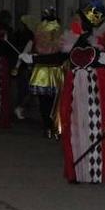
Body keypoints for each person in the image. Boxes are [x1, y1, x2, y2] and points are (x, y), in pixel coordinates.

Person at [59, 0, 105, 184]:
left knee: (97, 128)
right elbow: (64, 58)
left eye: (79, 19)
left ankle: (96, 172)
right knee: (78, 128)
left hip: (98, 93)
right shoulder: (78, 40)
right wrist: (34, 59)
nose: (75, 22)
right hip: (77, 92)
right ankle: (79, 172)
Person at [22, 8, 66, 139]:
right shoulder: (58, 29)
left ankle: (49, 127)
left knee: (46, 101)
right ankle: (52, 127)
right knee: (53, 101)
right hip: (52, 69)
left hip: (43, 68)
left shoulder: (42, 28)